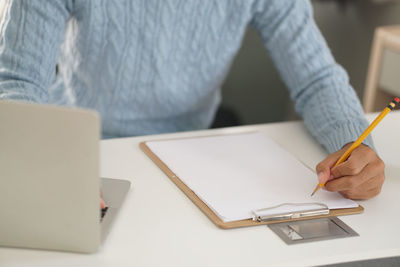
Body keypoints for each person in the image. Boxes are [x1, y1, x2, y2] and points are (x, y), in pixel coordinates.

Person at [0, 0, 384, 200]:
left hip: (187, 155)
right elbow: (17, 80)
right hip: (80, 149)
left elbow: (316, 77)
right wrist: (47, 164)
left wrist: (355, 145)